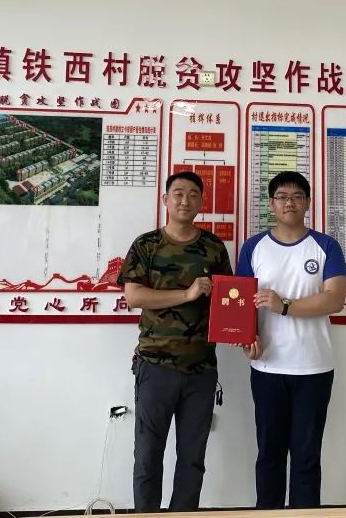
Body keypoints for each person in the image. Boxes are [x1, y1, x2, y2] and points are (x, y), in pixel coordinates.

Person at [117, 170, 232, 513]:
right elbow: (134, 297)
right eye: (178, 193)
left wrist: (245, 334)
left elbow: (230, 301)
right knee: (148, 455)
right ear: (166, 200)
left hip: (201, 370)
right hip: (155, 367)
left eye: (193, 194)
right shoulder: (146, 245)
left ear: (201, 202)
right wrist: (187, 293)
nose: (185, 200)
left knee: (193, 458)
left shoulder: (213, 248)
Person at [236, 171, 346, 509]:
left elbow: (335, 299)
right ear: (271, 204)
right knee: (269, 455)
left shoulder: (326, 245)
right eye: (282, 196)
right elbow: (240, 302)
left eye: (297, 196)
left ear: (307, 203)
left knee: (306, 457)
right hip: (267, 366)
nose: (290, 202)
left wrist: (284, 305)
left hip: (314, 367)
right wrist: (246, 339)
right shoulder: (254, 246)